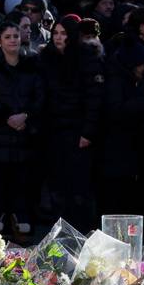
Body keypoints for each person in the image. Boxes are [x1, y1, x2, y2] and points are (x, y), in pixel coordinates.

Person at [38, 14, 105, 233]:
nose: (58, 38)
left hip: (78, 132)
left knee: (78, 186)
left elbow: (94, 98)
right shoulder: (46, 58)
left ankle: (81, 230)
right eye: (55, 33)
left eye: (64, 33)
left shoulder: (86, 57)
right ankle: (60, 230)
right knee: (57, 184)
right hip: (53, 131)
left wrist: (88, 132)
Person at [0, 21, 44, 237]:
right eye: (7, 37)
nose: (13, 40)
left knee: (22, 182)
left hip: (25, 133)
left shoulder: (32, 63)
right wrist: (6, 117)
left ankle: (21, 221)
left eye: (16, 36)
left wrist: (26, 116)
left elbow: (40, 96)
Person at [96, 39, 144, 221]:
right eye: (141, 64)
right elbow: (117, 111)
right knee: (116, 202)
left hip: (127, 152)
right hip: (116, 153)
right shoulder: (116, 82)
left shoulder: (129, 81)